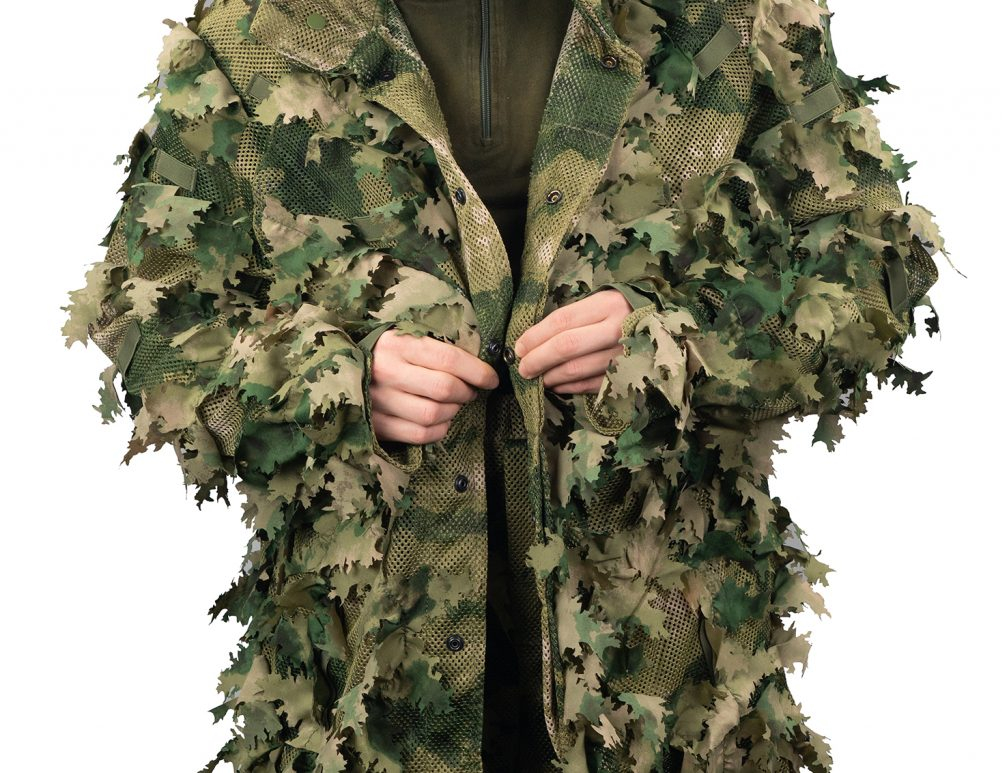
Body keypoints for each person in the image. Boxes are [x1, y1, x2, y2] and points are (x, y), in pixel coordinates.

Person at [61, 0, 946, 771]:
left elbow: (878, 263)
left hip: (667, 686)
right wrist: (333, 380)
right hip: (361, 690)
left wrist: (677, 340)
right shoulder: (259, 32)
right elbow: (147, 314)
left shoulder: (728, 18)